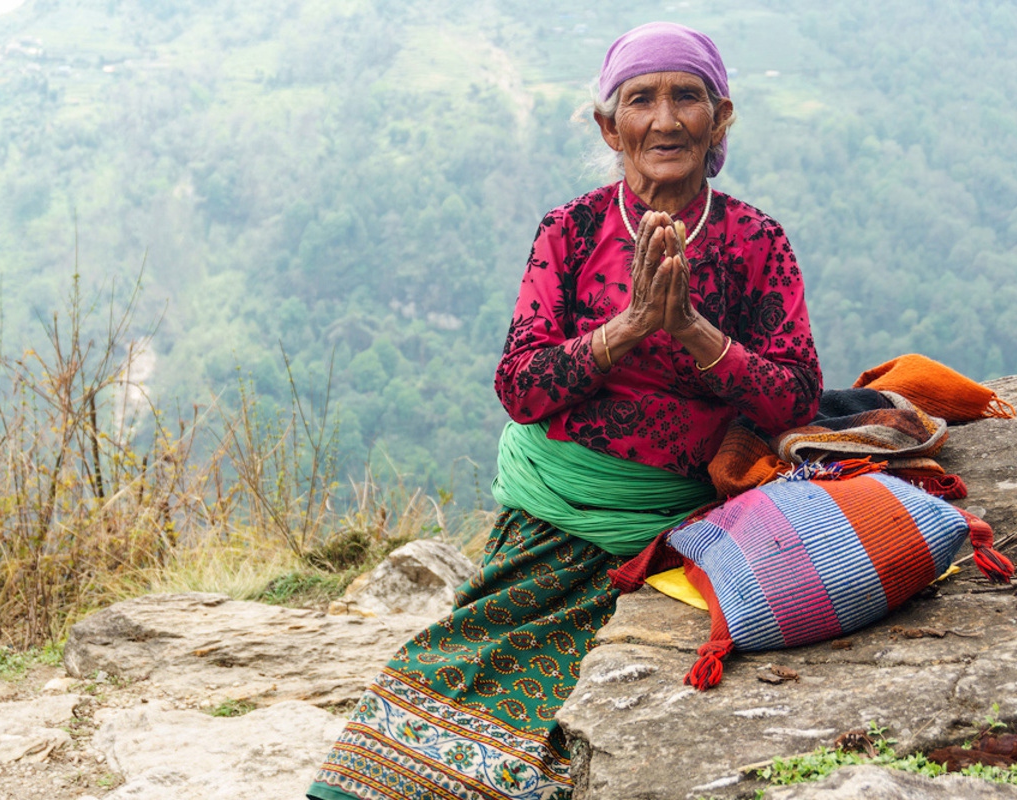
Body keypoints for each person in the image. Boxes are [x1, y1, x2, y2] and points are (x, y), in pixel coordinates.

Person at [308, 21, 822, 800]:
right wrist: (626, 331)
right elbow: (520, 386)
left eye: (688, 97)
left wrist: (695, 333)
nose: (665, 119)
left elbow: (795, 396)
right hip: (554, 513)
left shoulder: (756, 243)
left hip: (669, 531)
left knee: (577, 720)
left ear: (721, 118)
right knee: (441, 677)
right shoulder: (571, 231)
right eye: (641, 100)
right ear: (608, 127)